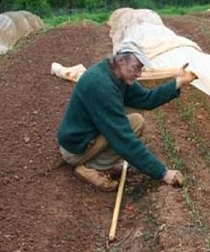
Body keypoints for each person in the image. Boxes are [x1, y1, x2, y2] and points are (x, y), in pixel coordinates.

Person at [57, 40, 198, 191]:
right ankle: (90, 168)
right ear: (121, 60)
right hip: (76, 149)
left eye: (141, 68)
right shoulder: (101, 85)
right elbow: (123, 139)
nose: (139, 74)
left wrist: (179, 82)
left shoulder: (117, 75)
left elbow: (147, 99)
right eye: (136, 68)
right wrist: (162, 173)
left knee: (136, 120)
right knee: (128, 129)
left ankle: (103, 161)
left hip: (87, 135)